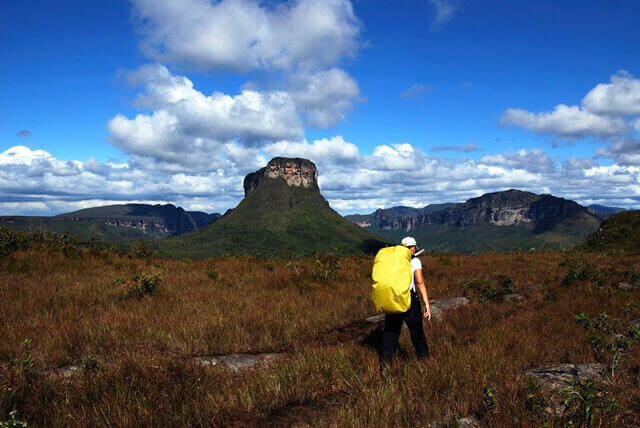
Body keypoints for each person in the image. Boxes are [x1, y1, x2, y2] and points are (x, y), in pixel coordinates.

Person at [380, 236, 431, 366]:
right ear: (412, 248)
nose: (415, 249)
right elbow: (419, 283)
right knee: (417, 332)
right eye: (414, 247)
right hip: (409, 299)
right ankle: (425, 362)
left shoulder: (391, 260)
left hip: (393, 299)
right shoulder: (415, 261)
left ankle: (385, 364)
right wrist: (427, 304)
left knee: (390, 333)